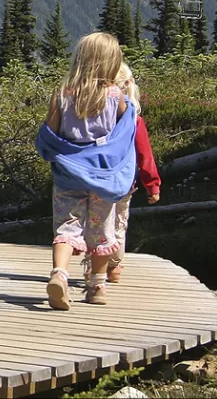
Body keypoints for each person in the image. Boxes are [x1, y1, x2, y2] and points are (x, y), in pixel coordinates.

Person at [36, 32, 135, 310]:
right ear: (111, 63)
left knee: (67, 227)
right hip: (104, 178)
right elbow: (125, 134)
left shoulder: (62, 96)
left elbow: (49, 134)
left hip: (68, 176)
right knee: (101, 229)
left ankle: (60, 274)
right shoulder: (117, 97)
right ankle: (97, 286)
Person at [105, 63, 160, 283]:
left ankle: (93, 267)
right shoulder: (135, 121)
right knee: (119, 223)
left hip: (98, 179)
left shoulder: (99, 119)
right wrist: (152, 185)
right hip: (125, 182)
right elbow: (145, 155)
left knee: (97, 222)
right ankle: (114, 268)